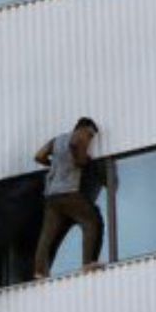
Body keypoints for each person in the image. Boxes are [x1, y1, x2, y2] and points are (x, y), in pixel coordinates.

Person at [33, 117, 103, 278]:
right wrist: (86, 160)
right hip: (68, 191)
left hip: (51, 194)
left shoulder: (56, 140)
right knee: (91, 220)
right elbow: (78, 159)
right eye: (91, 135)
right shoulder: (81, 135)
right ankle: (87, 264)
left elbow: (38, 156)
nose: (91, 138)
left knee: (47, 235)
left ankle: (39, 271)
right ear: (85, 128)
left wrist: (55, 165)